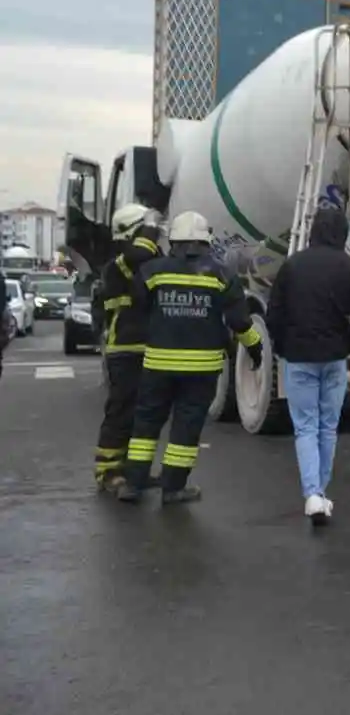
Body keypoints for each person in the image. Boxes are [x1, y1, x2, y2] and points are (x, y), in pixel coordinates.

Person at [118, 211, 262, 506]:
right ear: (206, 242)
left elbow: (137, 310)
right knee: (186, 427)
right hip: (201, 369)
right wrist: (256, 348)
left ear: (174, 240)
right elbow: (240, 322)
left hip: (158, 364)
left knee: (145, 424)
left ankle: (132, 485)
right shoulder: (222, 275)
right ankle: (173, 489)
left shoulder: (152, 271)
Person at [266, 205, 350, 525]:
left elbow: (274, 315)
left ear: (313, 231)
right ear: (341, 233)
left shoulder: (292, 267)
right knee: (328, 426)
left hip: (298, 356)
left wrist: (284, 347)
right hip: (334, 356)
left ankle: (313, 493)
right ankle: (320, 493)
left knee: (305, 427)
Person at [92, 204, 164, 491]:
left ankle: (135, 472)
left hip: (147, 348)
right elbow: (141, 253)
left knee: (142, 416)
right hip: (125, 350)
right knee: (121, 412)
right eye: (146, 231)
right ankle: (108, 472)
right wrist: (151, 224)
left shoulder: (145, 261)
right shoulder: (120, 264)